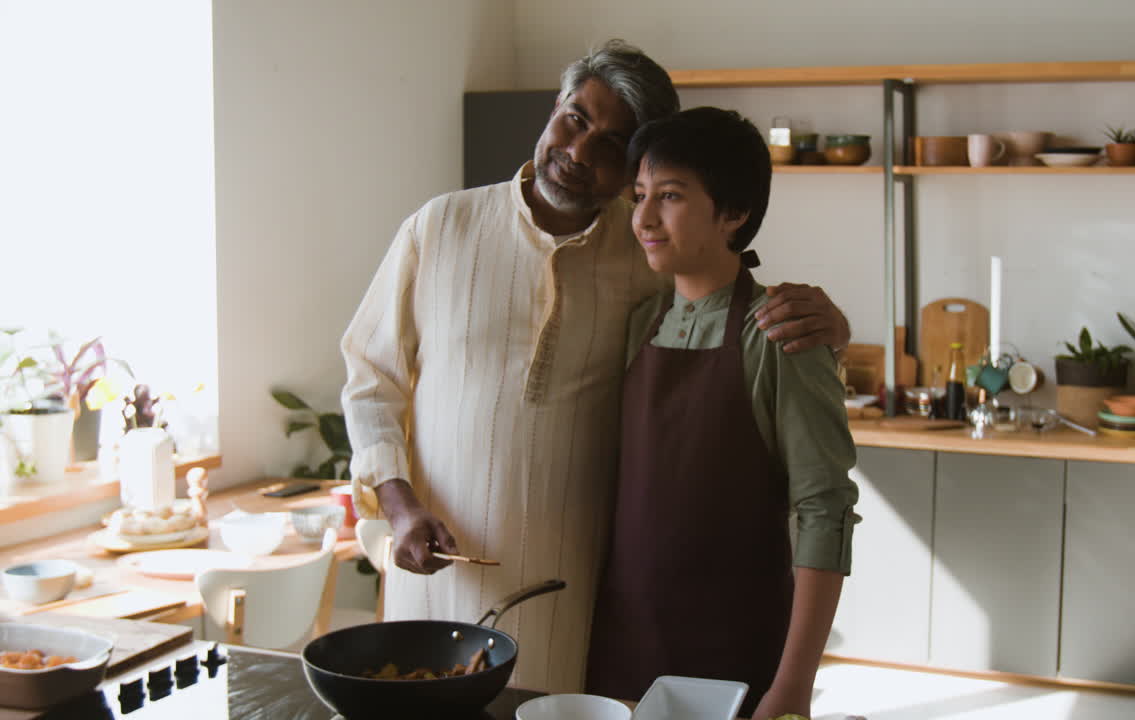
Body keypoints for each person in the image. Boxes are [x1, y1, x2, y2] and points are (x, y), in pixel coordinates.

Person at [339, 40, 851, 694]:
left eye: (613, 145)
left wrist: (832, 330)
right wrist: (398, 501)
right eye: (576, 119)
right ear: (555, 108)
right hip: (436, 578)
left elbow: (727, 296)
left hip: (575, 606)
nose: (579, 152)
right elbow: (368, 378)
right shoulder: (439, 228)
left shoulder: (647, 261)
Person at [584, 107, 859, 720]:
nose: (645, 218)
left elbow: (826, 512)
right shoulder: (637, 325)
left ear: (734, 213)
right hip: (623, 642)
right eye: (640, 196)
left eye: (672, 196)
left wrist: (792, 690)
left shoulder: (783, 336)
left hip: (735, 651)